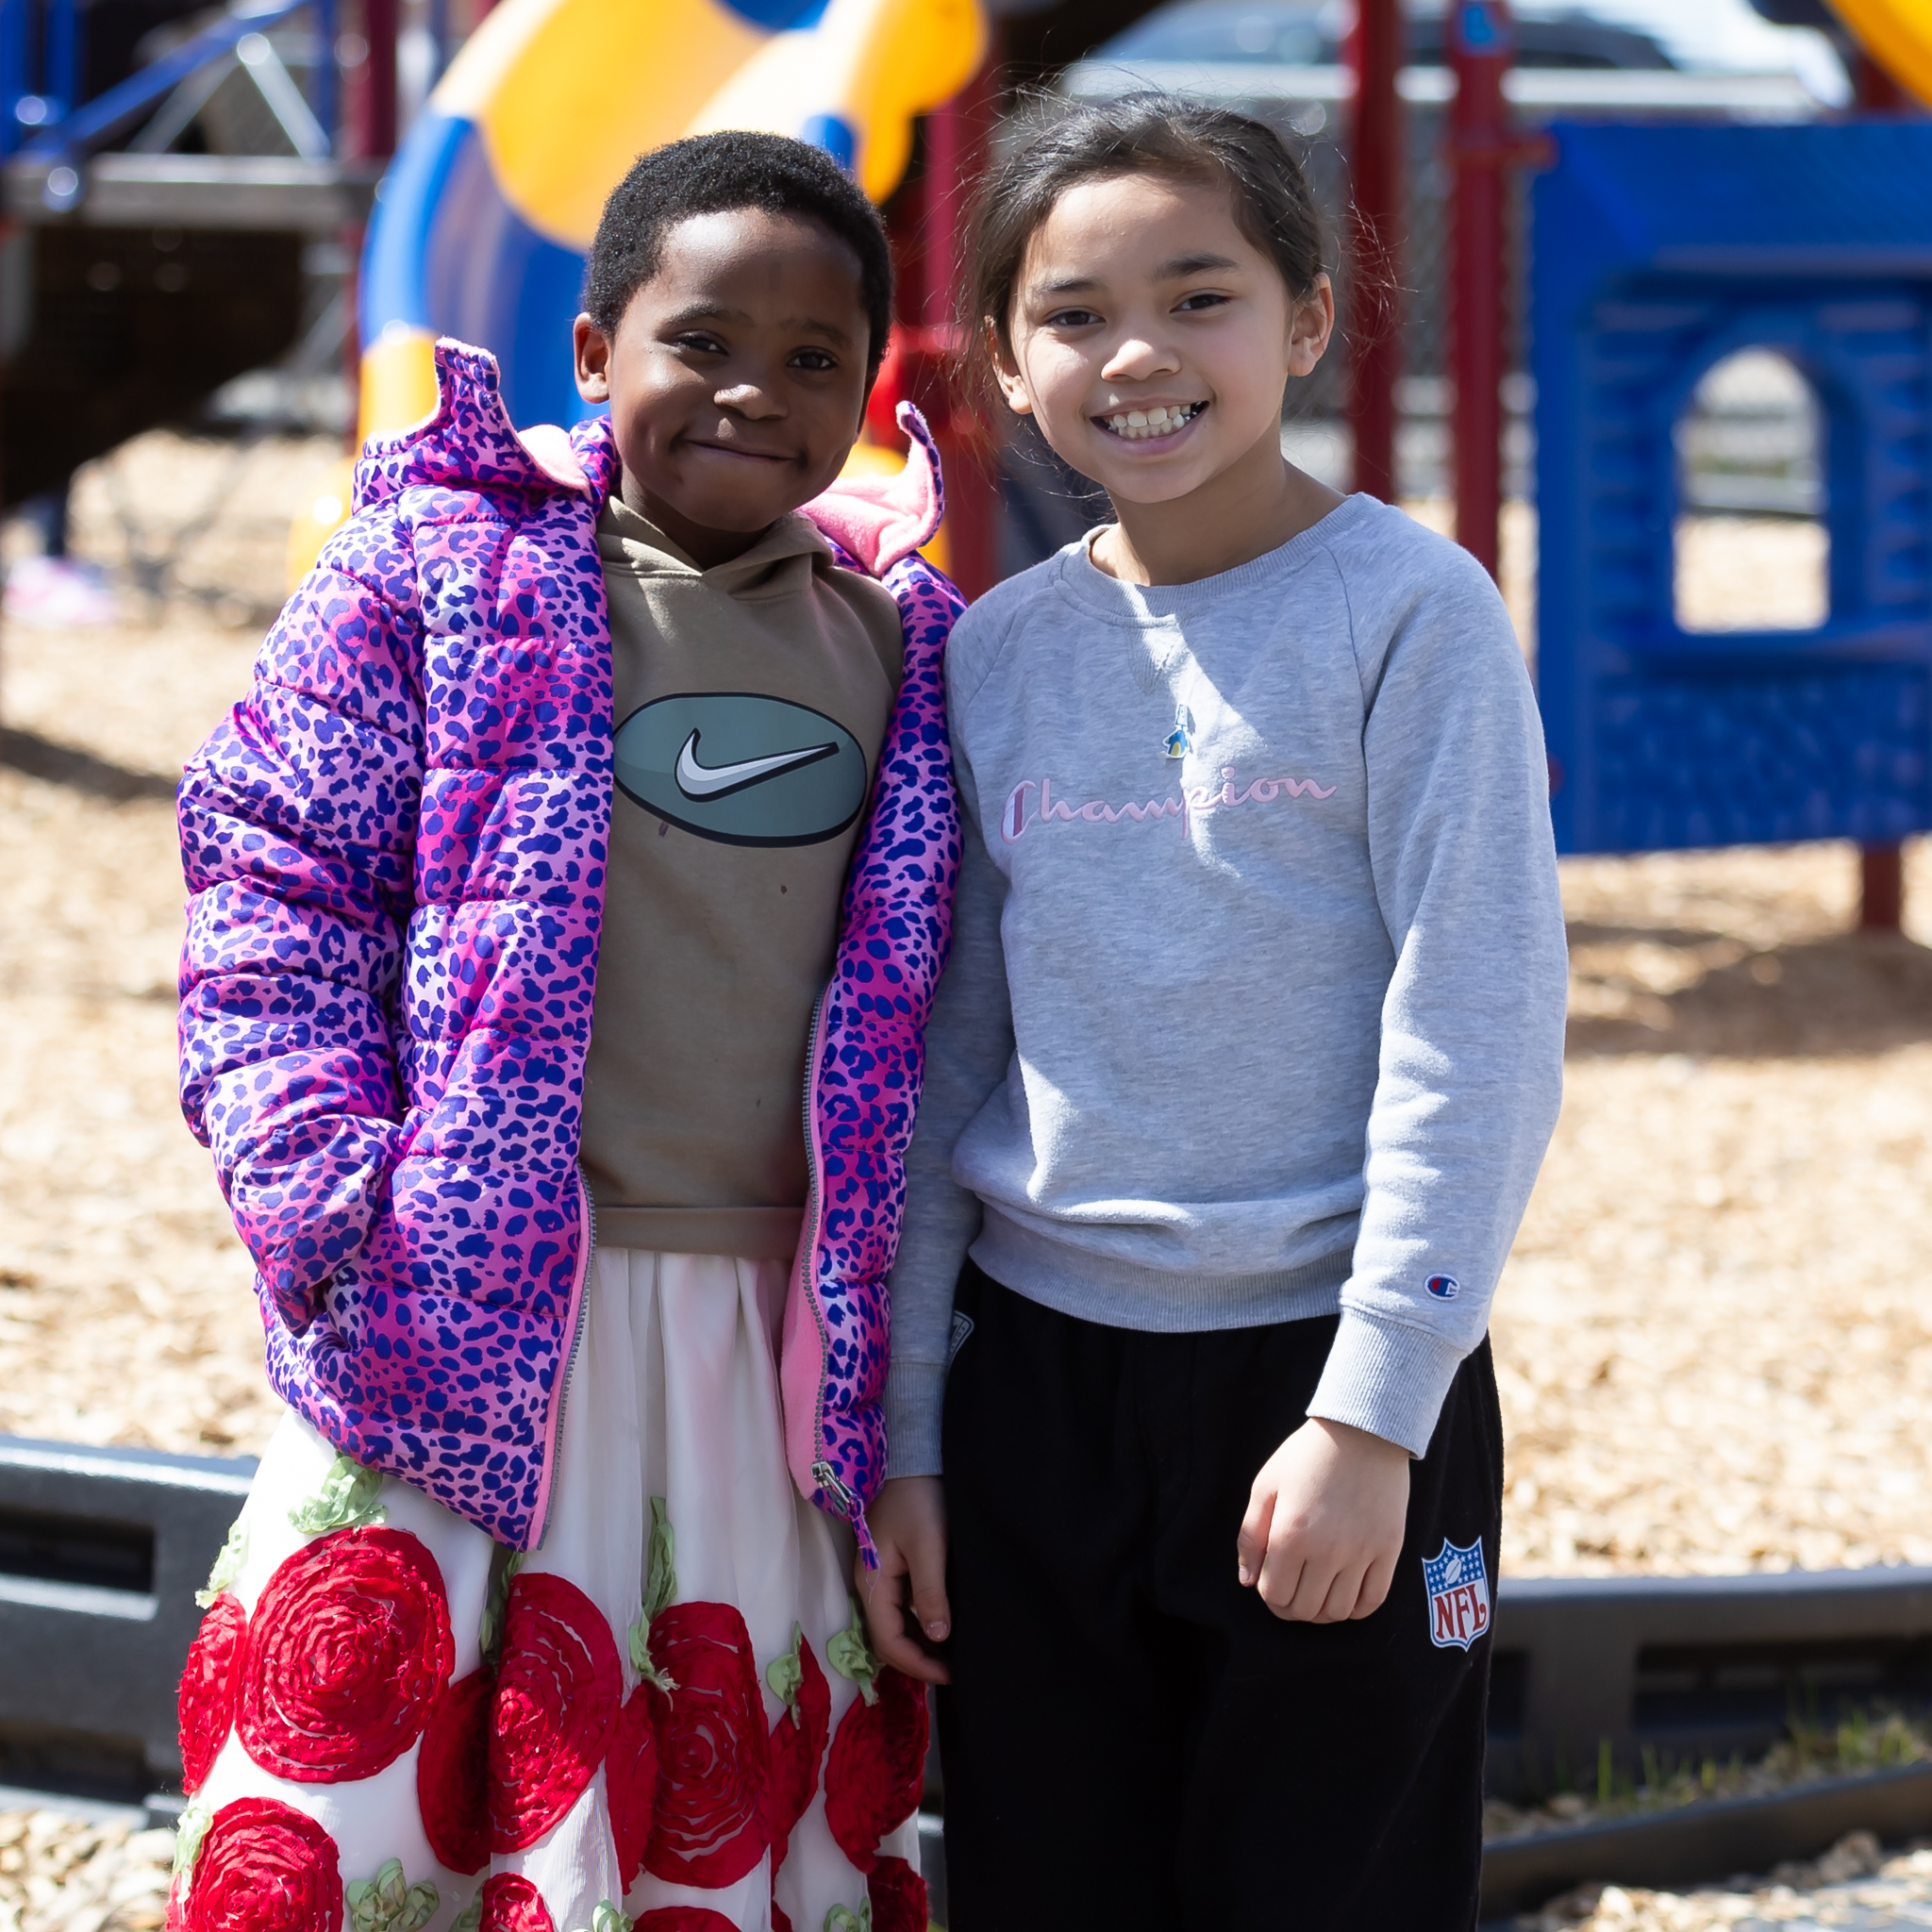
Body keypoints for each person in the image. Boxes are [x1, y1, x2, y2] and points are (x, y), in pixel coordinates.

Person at [173, 131, 959, 1932]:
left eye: (817, 358)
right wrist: (321, 1192)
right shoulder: (438, 578)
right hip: (459, 1315)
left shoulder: (909, 646)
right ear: (597, 351)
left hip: (771, 1354)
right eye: (705, 339)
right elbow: (275, 865)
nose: (757, 388)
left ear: (868, 385)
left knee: (700, 1813)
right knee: (391, 1811)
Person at [860, 94, 1570, 1930]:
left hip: (1318, 1372)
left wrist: (1372, 1414)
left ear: (1309, 320)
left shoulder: (1411, 613)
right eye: (1074, 311)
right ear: (1006, 364)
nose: (1139, 355)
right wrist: (919, 1442)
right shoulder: (994, 650)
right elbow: (953, 1049)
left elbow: (1473, 1013)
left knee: (1323, 1889)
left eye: (1200, 295)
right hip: (1035, 1388)